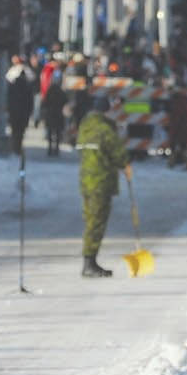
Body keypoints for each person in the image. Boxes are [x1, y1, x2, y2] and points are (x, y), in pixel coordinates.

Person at [75, 95, 129, 279]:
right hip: (101, 180)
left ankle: (90, 261)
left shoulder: (85, 126)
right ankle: (89, 263)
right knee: (96, 223)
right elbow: (118, 153)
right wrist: (126, 164)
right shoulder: (105, 129)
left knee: (90, 220)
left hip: (86, 181)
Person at [5, 55, 37, 157]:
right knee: (21, 130)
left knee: (14, 129)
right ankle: (18, 147)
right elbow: (30, 100)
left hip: (14, 111)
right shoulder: (27, 87)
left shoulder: (12, 86)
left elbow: (8, 98)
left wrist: (8, 108)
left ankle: (15, 146)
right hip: (24, 112)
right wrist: (30, 110)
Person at [41, 71, 69, 159]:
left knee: (50, 132)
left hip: (50, 114)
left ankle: (50, 149)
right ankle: (56, 149)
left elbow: (45, 103)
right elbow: (66, 101)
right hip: (58, 114)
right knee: (57, 132)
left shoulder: (50, 91)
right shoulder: (61, 92)